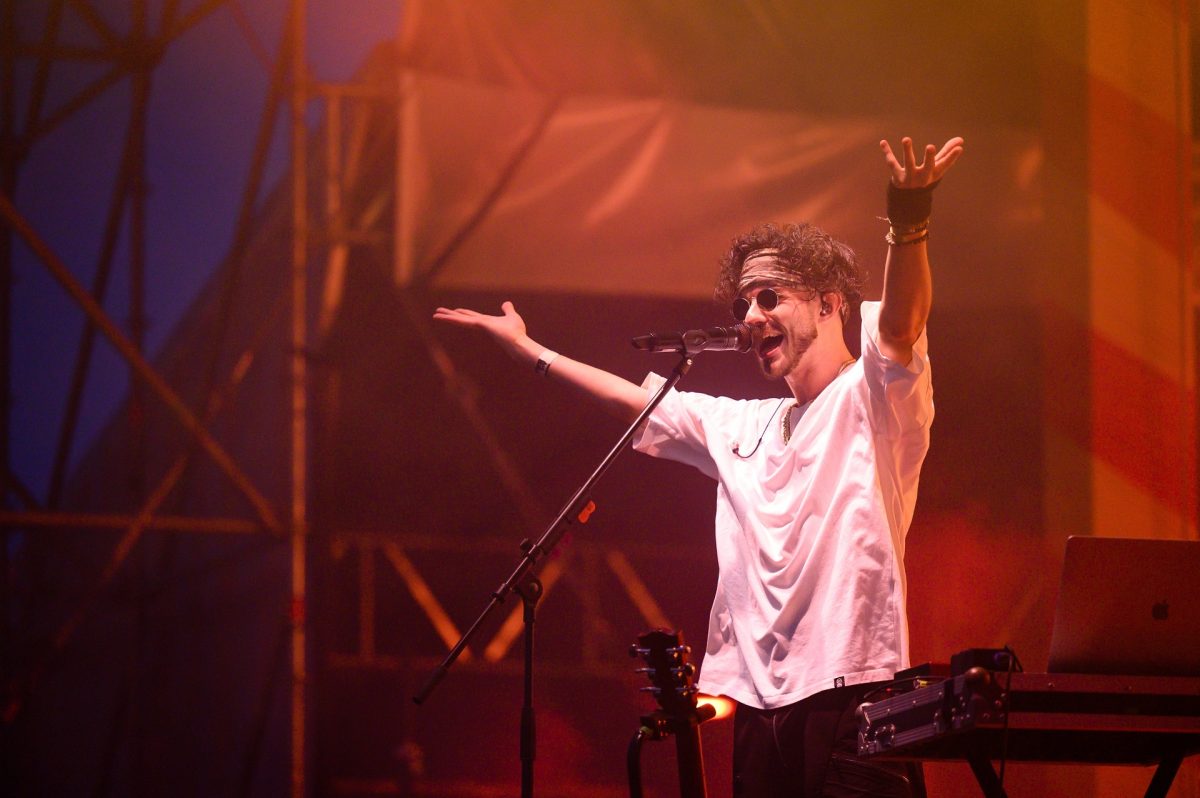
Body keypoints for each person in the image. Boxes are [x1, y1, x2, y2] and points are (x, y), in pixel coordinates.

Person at [434, 135, 964, 797]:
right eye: (743, 305)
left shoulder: (874, 398)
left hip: (852, 692)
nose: (750, 317)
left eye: (769, 298)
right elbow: (635, 402)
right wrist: (529, 351)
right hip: (759, 707)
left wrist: (909, 221)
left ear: (829, 304)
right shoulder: (742, 425)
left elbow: (902, 325)